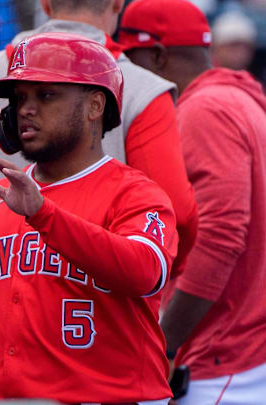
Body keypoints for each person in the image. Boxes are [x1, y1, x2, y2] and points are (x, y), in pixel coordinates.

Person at [0, 0, 198, 395]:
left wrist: (46, 216)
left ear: (95, 106)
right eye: (20, 97)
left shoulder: (135, 194)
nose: (26, 109)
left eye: (46, 95)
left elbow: (145, 271)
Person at [119, 1, 266, 403]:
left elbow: (220, 237)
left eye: (129, 60)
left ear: (158, 56)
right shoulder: (239, 99)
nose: (123, 75)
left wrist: (162, 344)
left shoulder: (204, 109)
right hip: (241, 352)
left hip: (223, 362)